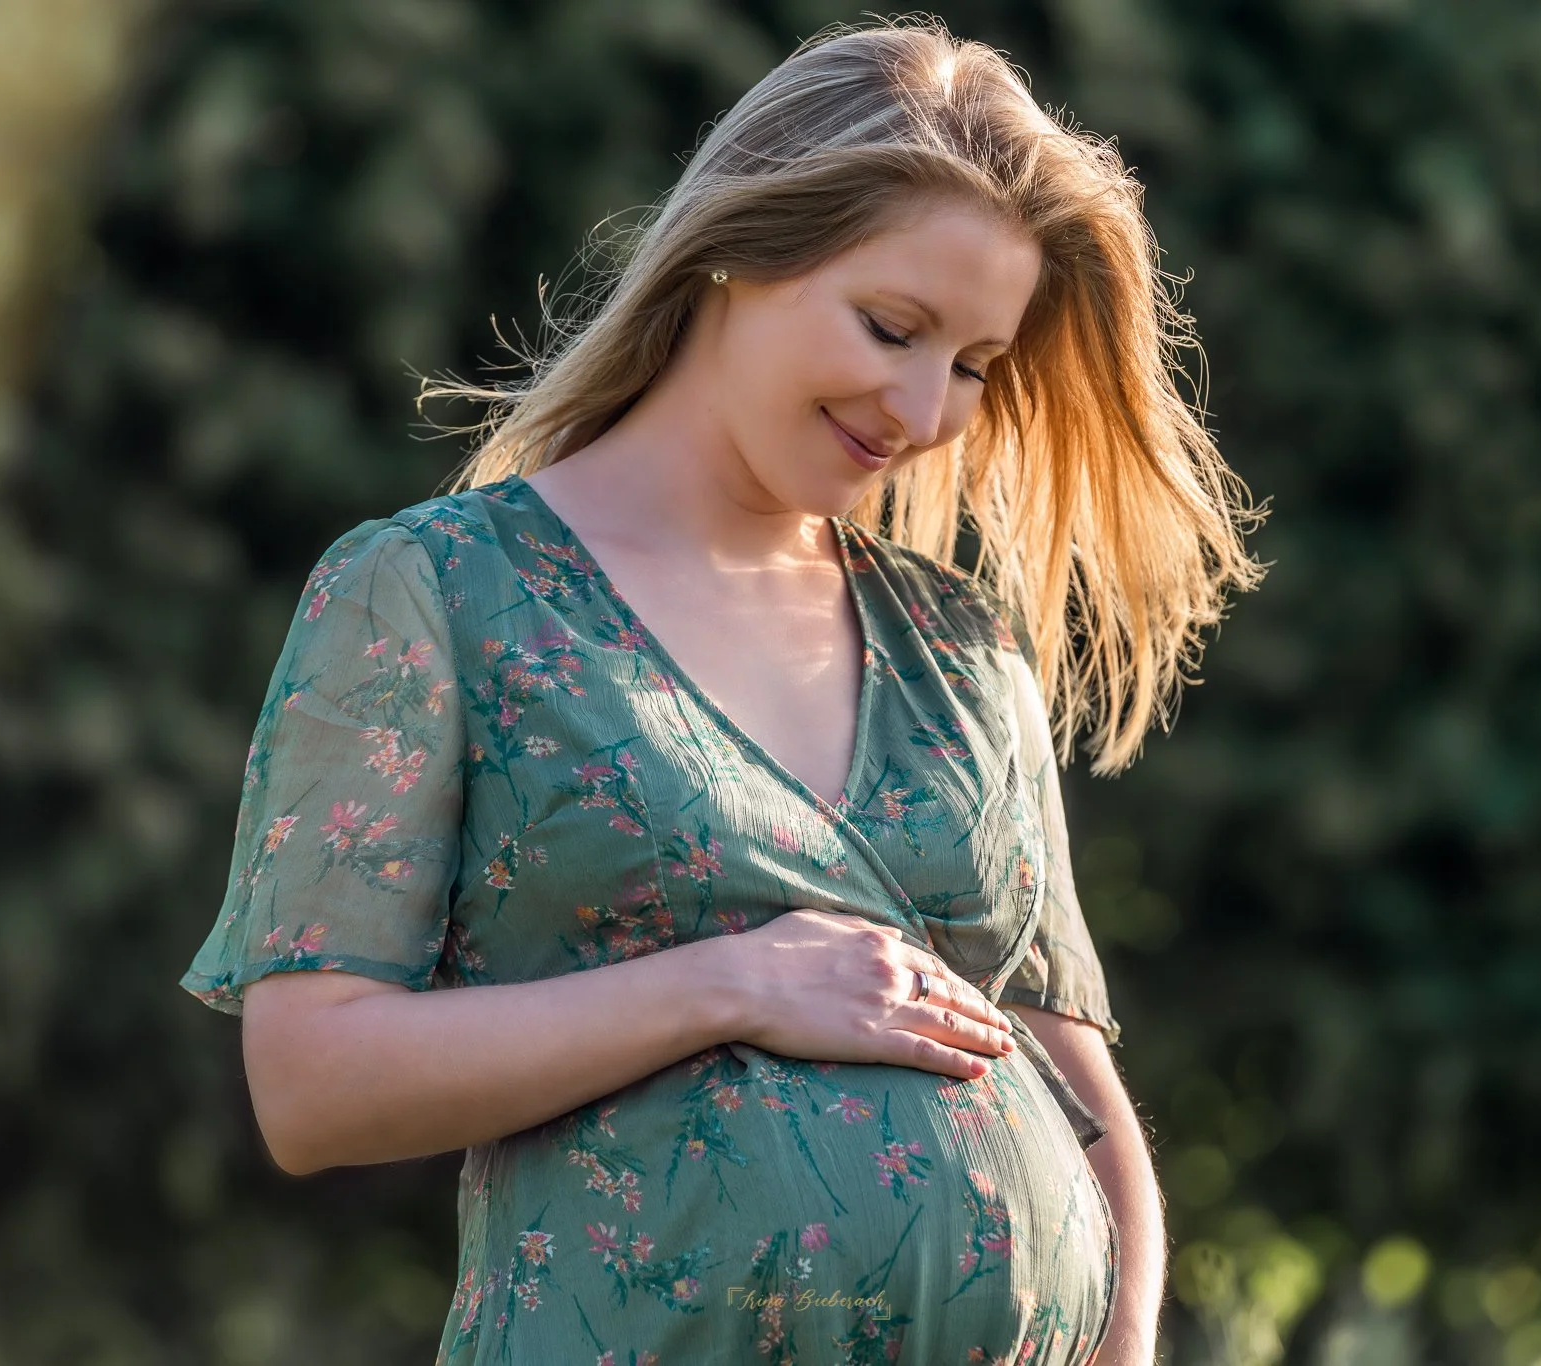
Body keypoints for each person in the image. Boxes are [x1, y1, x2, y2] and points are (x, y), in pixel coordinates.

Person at [178, 17, 1262, 1366]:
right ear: (739, 252)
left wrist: (1128, 1343)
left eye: (974, 364)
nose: (926, 409)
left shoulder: (958, 647)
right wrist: (729, 983)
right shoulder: (431, 594)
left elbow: (1070, 1074)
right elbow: (311, 1082)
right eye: (894, 327)